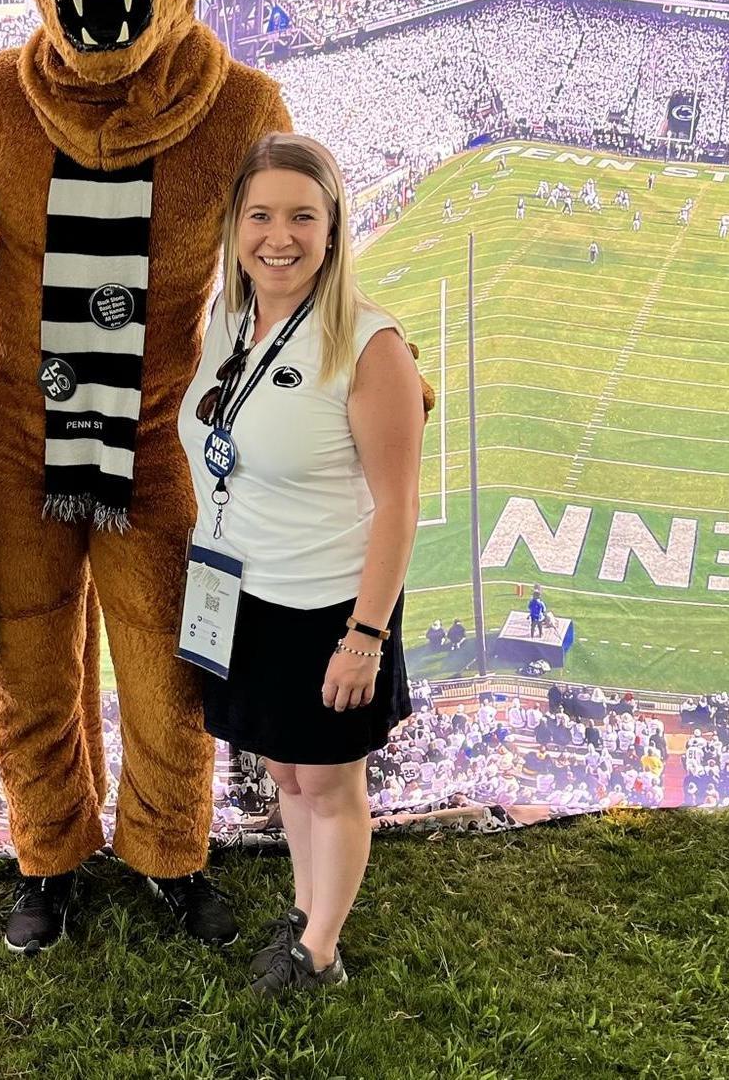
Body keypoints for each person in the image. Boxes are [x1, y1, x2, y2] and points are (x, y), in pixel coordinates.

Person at [178, 133, 425, 992]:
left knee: (328, 783)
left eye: (301, 217)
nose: (277, 237)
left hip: (328, 605)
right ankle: (304, 908)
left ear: (333, 229)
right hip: (245, 594)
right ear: (234, 227)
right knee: (283, 769)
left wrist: (365, 635)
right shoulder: (231, 319)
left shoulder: (368, 345)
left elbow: (399, 508)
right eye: (260, 215)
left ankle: (320, 950)